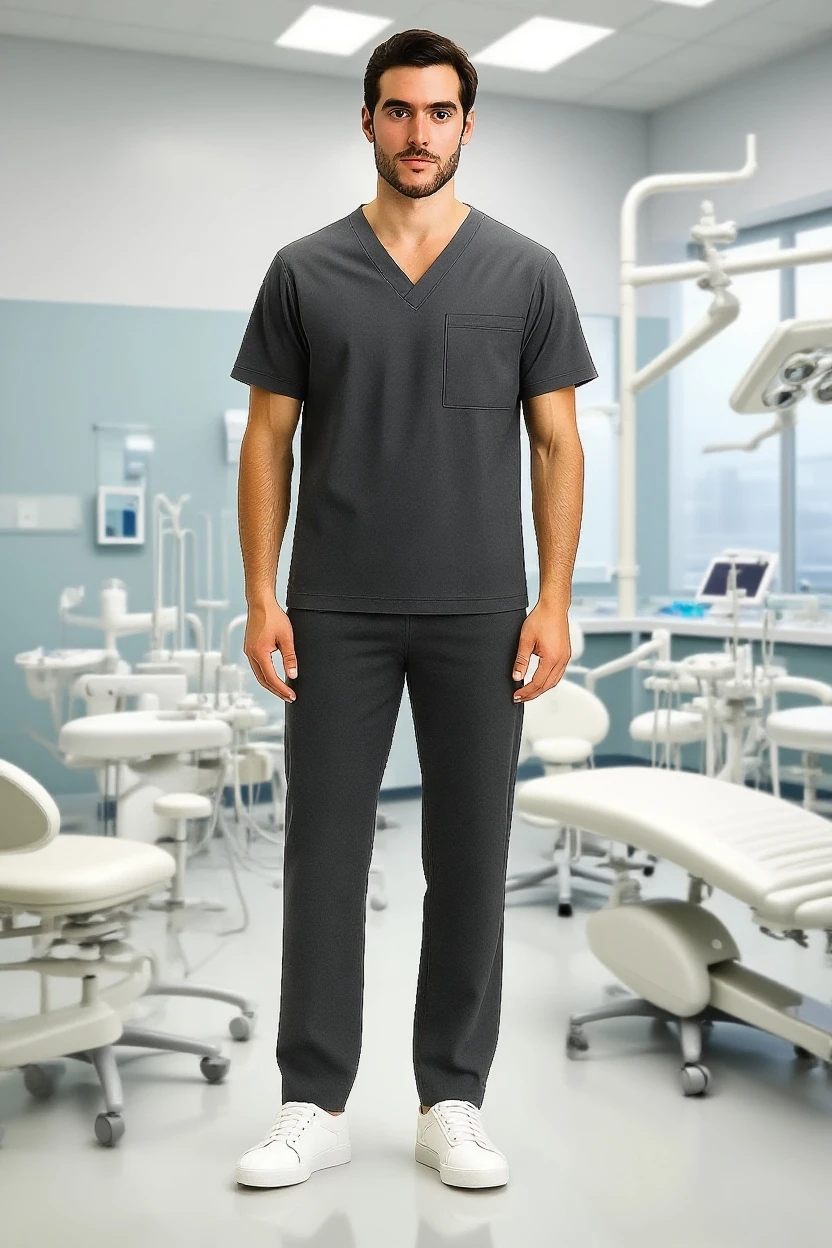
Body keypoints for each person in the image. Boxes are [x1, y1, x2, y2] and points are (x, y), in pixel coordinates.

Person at [230, 27, 597, 1191]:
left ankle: (451, 1097)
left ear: (467, 125)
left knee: (468, 857)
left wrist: (553, 600)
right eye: (397, 110)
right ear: (368, 120)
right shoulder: (305, 268)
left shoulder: (526, 270)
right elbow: (268, 439)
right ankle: (313, 1100)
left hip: (481, 612)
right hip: (333, 608)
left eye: (440, 112)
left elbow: (555, 442)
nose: (418, 132)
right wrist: (259, 597)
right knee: (324, 856)